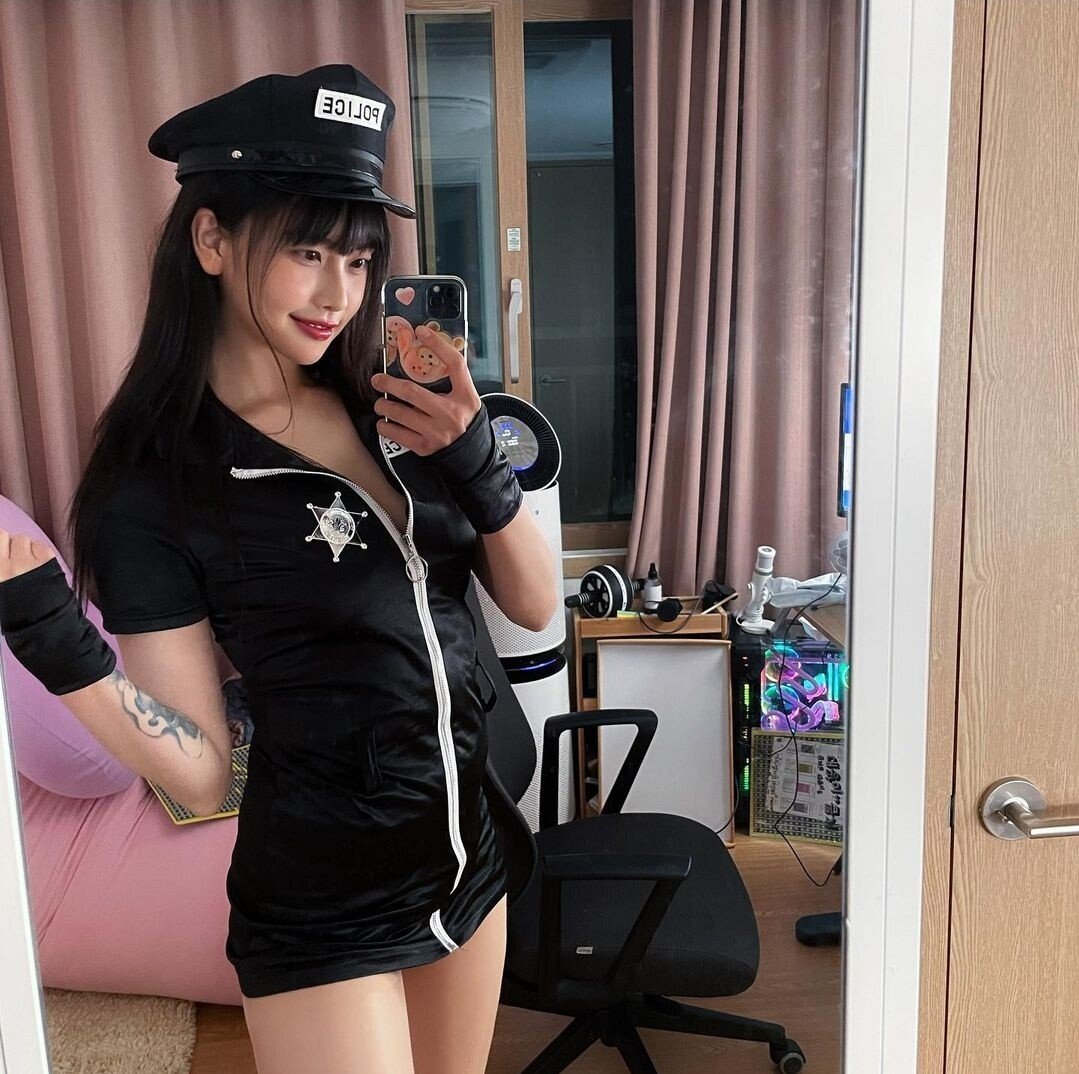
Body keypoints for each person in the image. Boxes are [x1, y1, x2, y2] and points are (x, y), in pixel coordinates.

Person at [0, 64, 559, 1074]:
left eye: (357, 260)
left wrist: (476, 457)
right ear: (211, 239)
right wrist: (59, 647)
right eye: (306, 252)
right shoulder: (156, 482)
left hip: (468, 851)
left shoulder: (391, 408)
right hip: (323, 899)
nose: (337, 295)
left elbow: (530, 604)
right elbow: (201, 770)